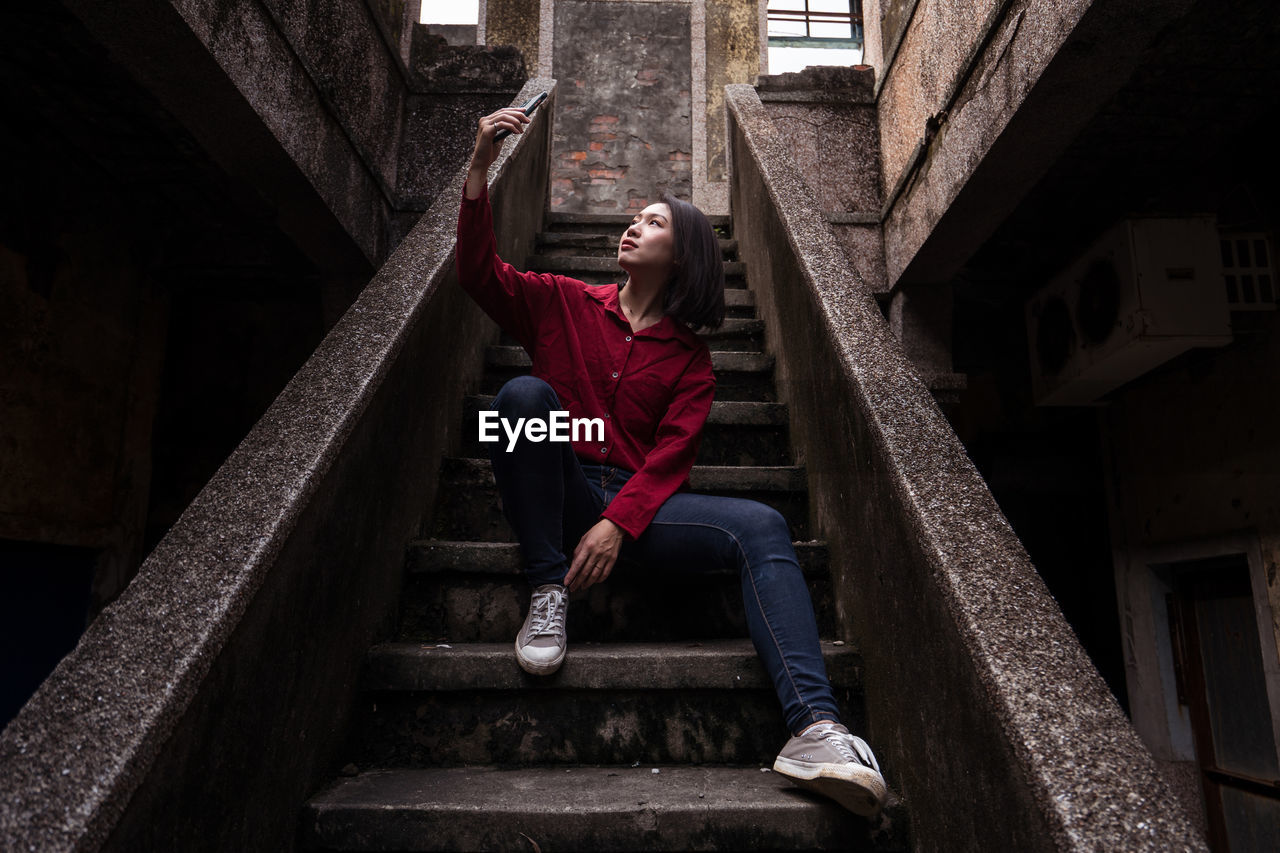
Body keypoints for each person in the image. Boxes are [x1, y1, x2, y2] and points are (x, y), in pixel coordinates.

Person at [455, 105, 887, 818]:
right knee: (523, 395)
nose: (633, 226)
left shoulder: (691, 360)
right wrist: (477, 168)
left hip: (639, 513)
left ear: (683, 254)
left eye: (653, 222)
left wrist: (619, 523)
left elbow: (670, 459)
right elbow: (476, 272)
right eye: (634, 217)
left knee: (762, 526)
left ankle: (814, 726)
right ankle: (547, 590)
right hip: (560, 496)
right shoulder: (560, 301)